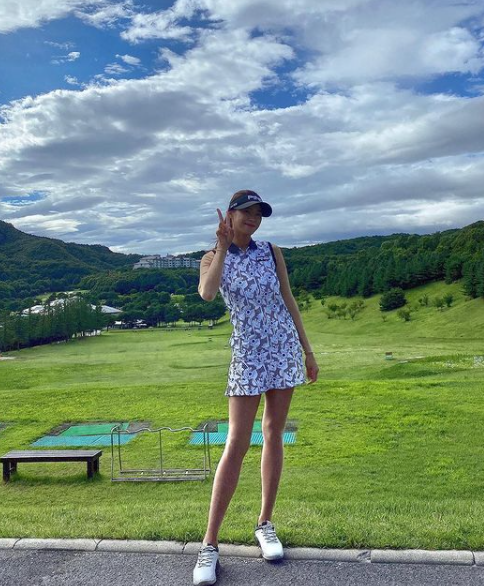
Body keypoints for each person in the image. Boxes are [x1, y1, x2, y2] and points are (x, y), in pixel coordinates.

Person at [193, 189, 319, 586]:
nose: (253, 218)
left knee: (273, 433)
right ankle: (209, 544)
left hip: (282, 349)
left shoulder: (272, 251)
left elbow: (288, 299)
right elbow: (207, 293)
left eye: (259, 213)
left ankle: (265, 523)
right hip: (247, 354)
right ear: (229, 215)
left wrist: (307, 350)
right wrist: (221, 246)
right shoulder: (212, 257)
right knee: (237, 442)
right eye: (246, 211)